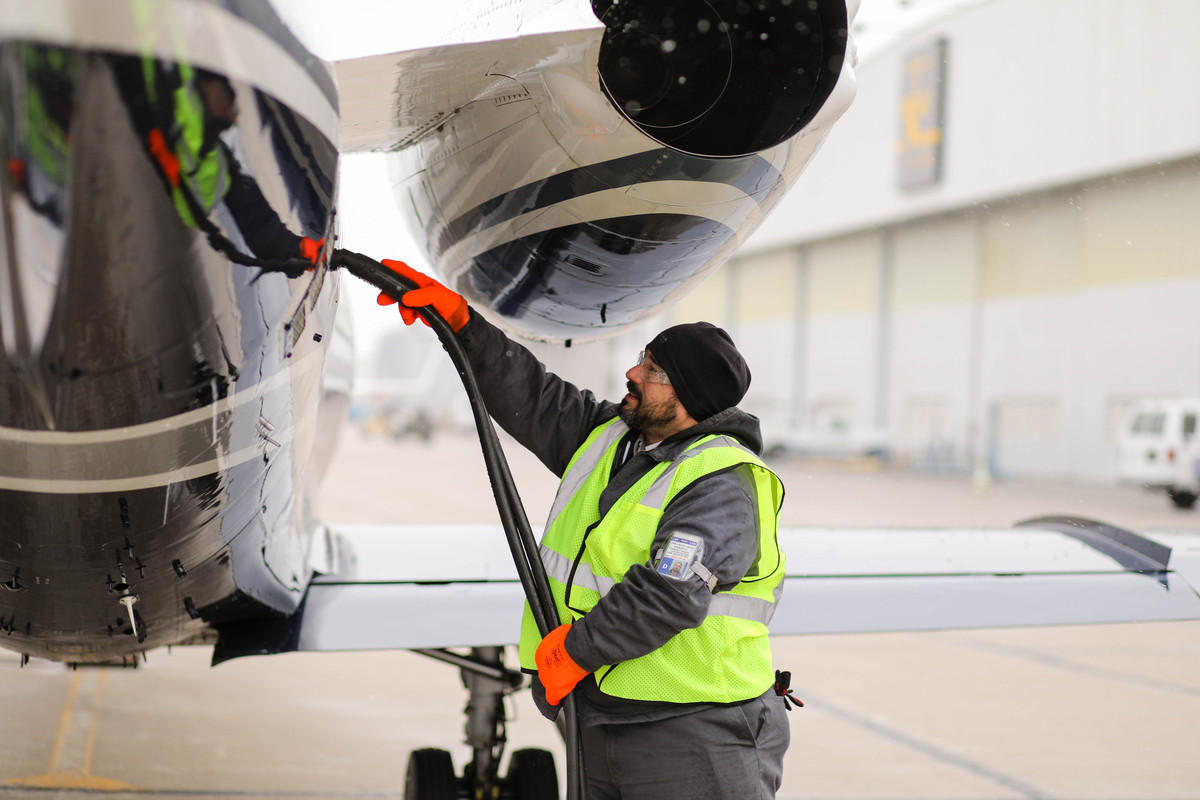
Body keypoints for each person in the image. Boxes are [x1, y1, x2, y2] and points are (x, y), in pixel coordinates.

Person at [377, 259, 791, 800]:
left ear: (688, 396)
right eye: (642, 360)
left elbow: (668, 594)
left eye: (653, 371)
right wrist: (462, 324)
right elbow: (532, 394)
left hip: (692, 733)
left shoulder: (721, 481)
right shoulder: (612, 440)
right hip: (601, 718)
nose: (633, 375)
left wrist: (570, 653)